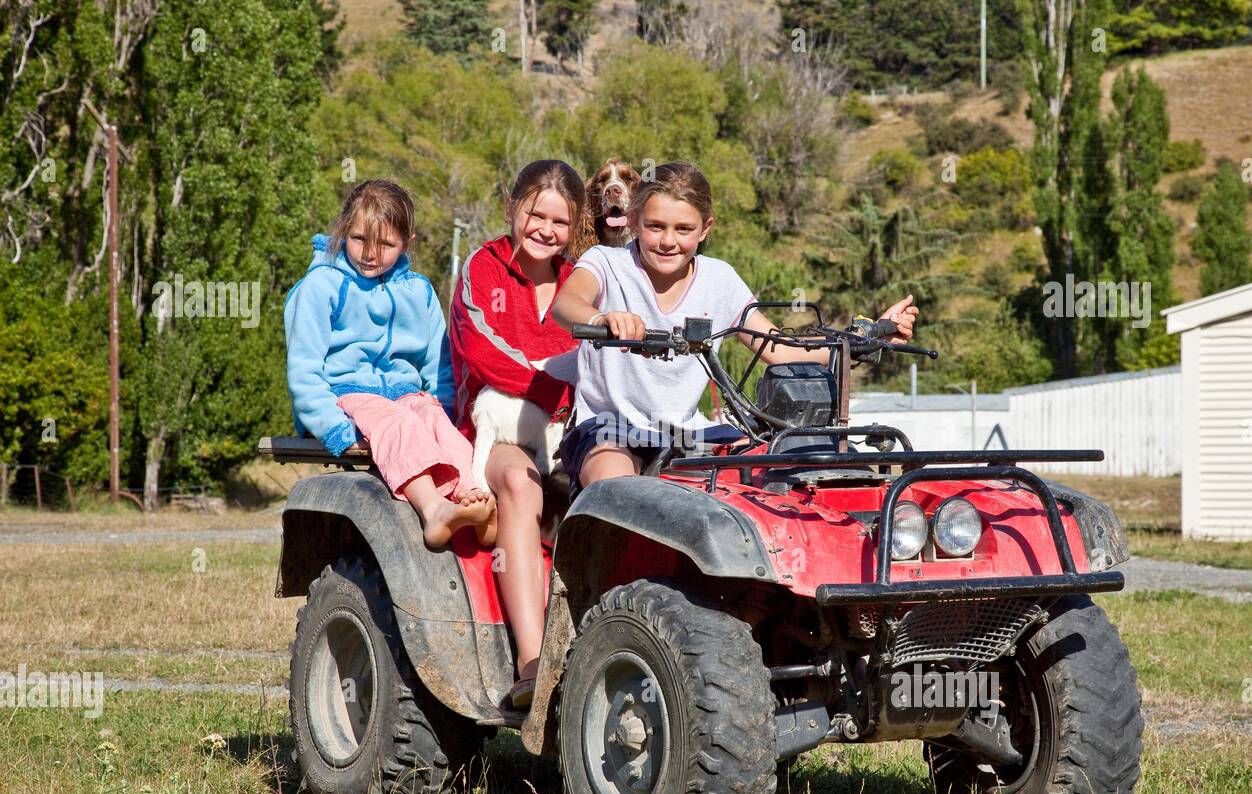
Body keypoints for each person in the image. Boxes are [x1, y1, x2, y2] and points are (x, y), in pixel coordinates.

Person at [552, 160, 918, 492]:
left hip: (688, 433)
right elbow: (567, 305)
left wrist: (868, 338)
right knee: (619, 491)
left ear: (705, 228)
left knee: (778, 470)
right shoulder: (606, 261)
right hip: (611, 429)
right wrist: (601, 318)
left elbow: (778, 348)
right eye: (655, 226)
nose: (668, 241)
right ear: (633, 221)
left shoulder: (719, 278)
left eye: (683, 228)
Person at [285, 179, 495, 550]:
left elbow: (439, 366)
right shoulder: (320, 286)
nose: (370, 253)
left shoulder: (418, 291)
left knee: (430, 417)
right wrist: (333, 427)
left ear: (407, 242)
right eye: (359, 239)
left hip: (405, 395)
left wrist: (444, 412)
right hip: (344, 398)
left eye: (386, 244)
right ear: (342, 230)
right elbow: (304, 370)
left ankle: (475, 498)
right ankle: (434, 511)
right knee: (396, 420)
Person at [448, 159, 586, 710]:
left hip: (568, 431)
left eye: (560, 221)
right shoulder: (482, 269)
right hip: (494, 425)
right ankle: (533, 664)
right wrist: (557, 387)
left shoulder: (582, 282)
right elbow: (485, 353)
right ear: (513, 209)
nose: (545, 230)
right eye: (536, 213)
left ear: (574, 228)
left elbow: (601, 357)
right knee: (522, 483)